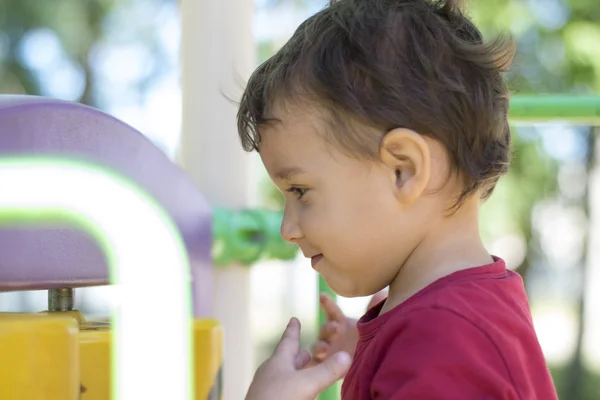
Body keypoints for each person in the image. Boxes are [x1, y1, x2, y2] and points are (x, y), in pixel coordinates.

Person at [237, 0, 559, 398]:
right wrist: (371, 353)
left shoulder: (447, 341)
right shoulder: (449, 325)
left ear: (403, 170)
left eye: (300, 191)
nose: (288, 228)